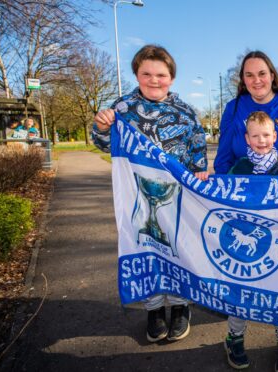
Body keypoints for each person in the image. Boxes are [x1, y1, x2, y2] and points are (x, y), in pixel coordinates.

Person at [92, 44, 208, 343]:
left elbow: (197, 156)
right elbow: (106, 146)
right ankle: (154, 308)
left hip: (178, 195)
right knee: (147, 245)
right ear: (137, 74)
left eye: (161, 74)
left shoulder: (186, 113)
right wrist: (102, 127)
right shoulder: (121, 109)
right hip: (139, 194)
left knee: (179, 248)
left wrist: (200, 180)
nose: (154, 80)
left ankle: (181, 306)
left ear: (171, 77)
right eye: (147, 74)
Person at [220, 111, 278, 372]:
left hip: (277, 243)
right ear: (247, 138)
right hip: (246, 249)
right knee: (241, 291)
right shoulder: (240, 167)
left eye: (266, 135)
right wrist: (204, 182)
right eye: (255, 136)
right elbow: (221, 193)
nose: (261, 140)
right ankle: (234, 337)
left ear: (274, 136)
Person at [213, 51, 278, 175]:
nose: (256, 80)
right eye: (249, 75)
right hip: (246, 190)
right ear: (243, 79)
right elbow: (223, 159)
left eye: (262, 73)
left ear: (272, 76)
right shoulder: (233, 108)